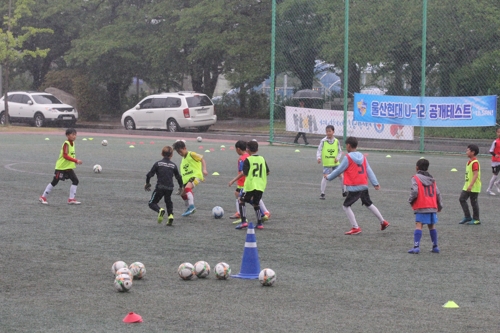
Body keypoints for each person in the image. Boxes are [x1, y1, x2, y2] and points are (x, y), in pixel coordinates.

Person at [324, 136, 390, 235]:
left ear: (349, 146)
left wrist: (328, 177)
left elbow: (339, 170)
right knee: (368, 204)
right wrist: (375, 183)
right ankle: (383, 222)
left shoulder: (348, 157)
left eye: (346, 145)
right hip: (363, 185)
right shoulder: (363, 157)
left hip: (355, 187)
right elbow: (369, 170)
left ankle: (355, 227)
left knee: (346, 206)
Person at [228, 140, 270, 221]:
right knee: (241, 195)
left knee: (245, 198)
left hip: (246, 182)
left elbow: (243, 172)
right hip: (256, 182)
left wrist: (233, 180)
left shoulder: (242, 159)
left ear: (238, 149)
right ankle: (261, 215)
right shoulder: (252, 156)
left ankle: (245, 215)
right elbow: (267, 172)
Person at [407, 159, 443, 254]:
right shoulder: (432, 179)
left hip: (422, 205)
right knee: (432, 226)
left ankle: (416, 247)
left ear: (417, 167)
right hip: (432, 205)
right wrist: (440, 205)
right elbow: (438, 193)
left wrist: (410, 200)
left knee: (419, 224)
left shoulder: (415, 178)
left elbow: (415, 191)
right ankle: (435, 246)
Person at [39, 128, 83, 205]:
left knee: (75, 181)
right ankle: (43, 197)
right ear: (67, 135)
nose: (74, 136)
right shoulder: (66, 144)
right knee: (54, 182)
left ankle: (71, 199)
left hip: (68, 168)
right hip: (61, 167)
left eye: (75, 135)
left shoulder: (73, 143)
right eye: (72, 134)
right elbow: (65, 155)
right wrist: (76, 161)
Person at [145, 146, 183, 226]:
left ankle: (160, 210)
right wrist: (180, 187)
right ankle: (170, 216)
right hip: (170, 188)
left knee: (152, 203)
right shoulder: (173, 165)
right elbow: (178, 177)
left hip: (160, 187)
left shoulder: (158, 163)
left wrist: (147, 183)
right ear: (171, 155)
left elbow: (149, 175)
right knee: (168, 201)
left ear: (162, 154)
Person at [172, 140, 208, 216]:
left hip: (195, 176)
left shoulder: (191, 154)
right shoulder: (183, 160)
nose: (180, 154)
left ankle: (192, 207)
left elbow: (202, 159)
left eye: (180, 151)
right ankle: (188, 207)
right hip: (187, 179)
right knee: (183, 194)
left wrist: (204, 169)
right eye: (178, 152)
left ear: (185, 148)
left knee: (188, 188)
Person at [316, 125, 347, 199]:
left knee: (341, 176)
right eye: (327, 131)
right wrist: (319, 157)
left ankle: (344, 191)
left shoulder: (336, 141)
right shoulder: (323, 141)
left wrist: (337, 158)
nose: (328, 133)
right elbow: (319, 150)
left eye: (330, 131)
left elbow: (340, 151)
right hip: (327, 162)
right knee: (325, 177)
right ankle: (322, 193)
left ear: (333, 132)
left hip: (335, 163)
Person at [459, 144, 481, 225]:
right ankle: (467, 216)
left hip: (474, 186)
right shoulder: (469, 162)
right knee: (462, 199)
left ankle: (476, 219)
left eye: (468, 150)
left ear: (473, 152)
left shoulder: (475, 162)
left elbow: (475, 174)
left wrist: (471, 185)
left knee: (473, 202)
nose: (466, 152)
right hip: (467, 185)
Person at [485, 128, 500, 195]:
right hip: (495, 161)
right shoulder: (495, 142)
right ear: (497, 133)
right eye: (499, 132)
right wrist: (495, 155)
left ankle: (497, 183)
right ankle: (489, 189)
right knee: (495, 176)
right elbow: (491, 151)